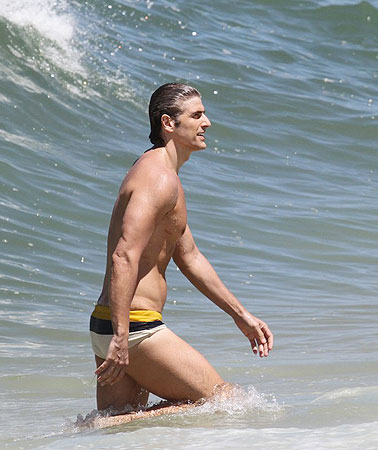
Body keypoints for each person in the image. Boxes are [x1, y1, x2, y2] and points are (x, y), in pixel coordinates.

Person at [90, 82, 273, 413]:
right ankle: (88, 427)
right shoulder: (157, 178)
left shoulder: (162, 175)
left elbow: (189, 257)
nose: (207, 123)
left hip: (116, 324)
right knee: (227, 402)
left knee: (125, 434)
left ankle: (90, 431)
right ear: (168, 123)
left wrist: (241, 316)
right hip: (133, 327)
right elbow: (124, 255)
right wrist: (121, 335)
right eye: (197, 115)